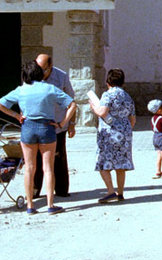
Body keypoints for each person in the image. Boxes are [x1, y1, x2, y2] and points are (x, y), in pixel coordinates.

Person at [0, 60, 76, 215]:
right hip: (47, 128)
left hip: (28, 128)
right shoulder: (50, 89)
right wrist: (62, 123)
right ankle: (50, 204)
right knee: (48, 168)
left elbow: (1, 104)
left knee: (29, 168)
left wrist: (16, 115)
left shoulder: (21, 90)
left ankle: (30, 205)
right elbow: (72, 104)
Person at [87, 68, 135, 203]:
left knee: (103, 162)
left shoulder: (108, 95)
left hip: (109, 134)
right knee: (120, 165)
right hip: (124, 133)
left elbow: (102, 111)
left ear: (108, 81)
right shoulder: (127, 96)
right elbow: (133, 119)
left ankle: (110, 191)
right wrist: (125, 130)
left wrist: (93, 107)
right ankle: (120, 192)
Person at [32, 54, 75, 198]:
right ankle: (34, 190)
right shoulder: (31, 75)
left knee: (58, 158)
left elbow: (71, 101)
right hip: (36, 125)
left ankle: (61, 190)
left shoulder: (61, 77)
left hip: (57, 125)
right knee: (35, 159)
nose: (39, 72)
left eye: (42, 69)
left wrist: (71, 124)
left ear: (49, 67)